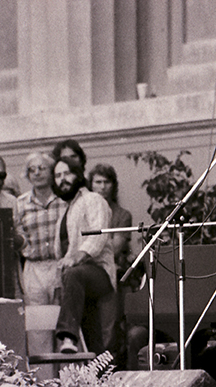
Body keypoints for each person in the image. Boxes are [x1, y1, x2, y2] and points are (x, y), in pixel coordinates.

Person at [51, 156, 117, 355]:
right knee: (94, 342)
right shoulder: (66, 209)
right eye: (57, 175)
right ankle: (104, 380)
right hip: (78, 282)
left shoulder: (93, 200)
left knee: (74, 274)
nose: (62, 179)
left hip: (98, 272)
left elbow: (99, 235)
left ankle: (68, 336)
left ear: (78, 175)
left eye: (67, 173)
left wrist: (77, 256)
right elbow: (60, 253)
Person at [16, 152, 68, 367]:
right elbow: (17, 235)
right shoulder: (20, 203)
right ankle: (43, 384)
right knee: (38, 330)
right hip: (34, 268)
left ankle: (69, 384)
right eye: (32, 169)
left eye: (42, 168)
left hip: (60, 265)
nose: (37, 173)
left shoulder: (64, 200)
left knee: (63, 325)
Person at [87, 163, 134, 367]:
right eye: (98, 182)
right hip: (87, 273)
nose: (102, 186)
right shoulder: (84, 210)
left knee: (109, 329)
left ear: (113, 185)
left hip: (111, 275)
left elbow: (115, 248)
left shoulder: (122, 214)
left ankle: (107, 369)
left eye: (107, 182)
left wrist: (89, 249)